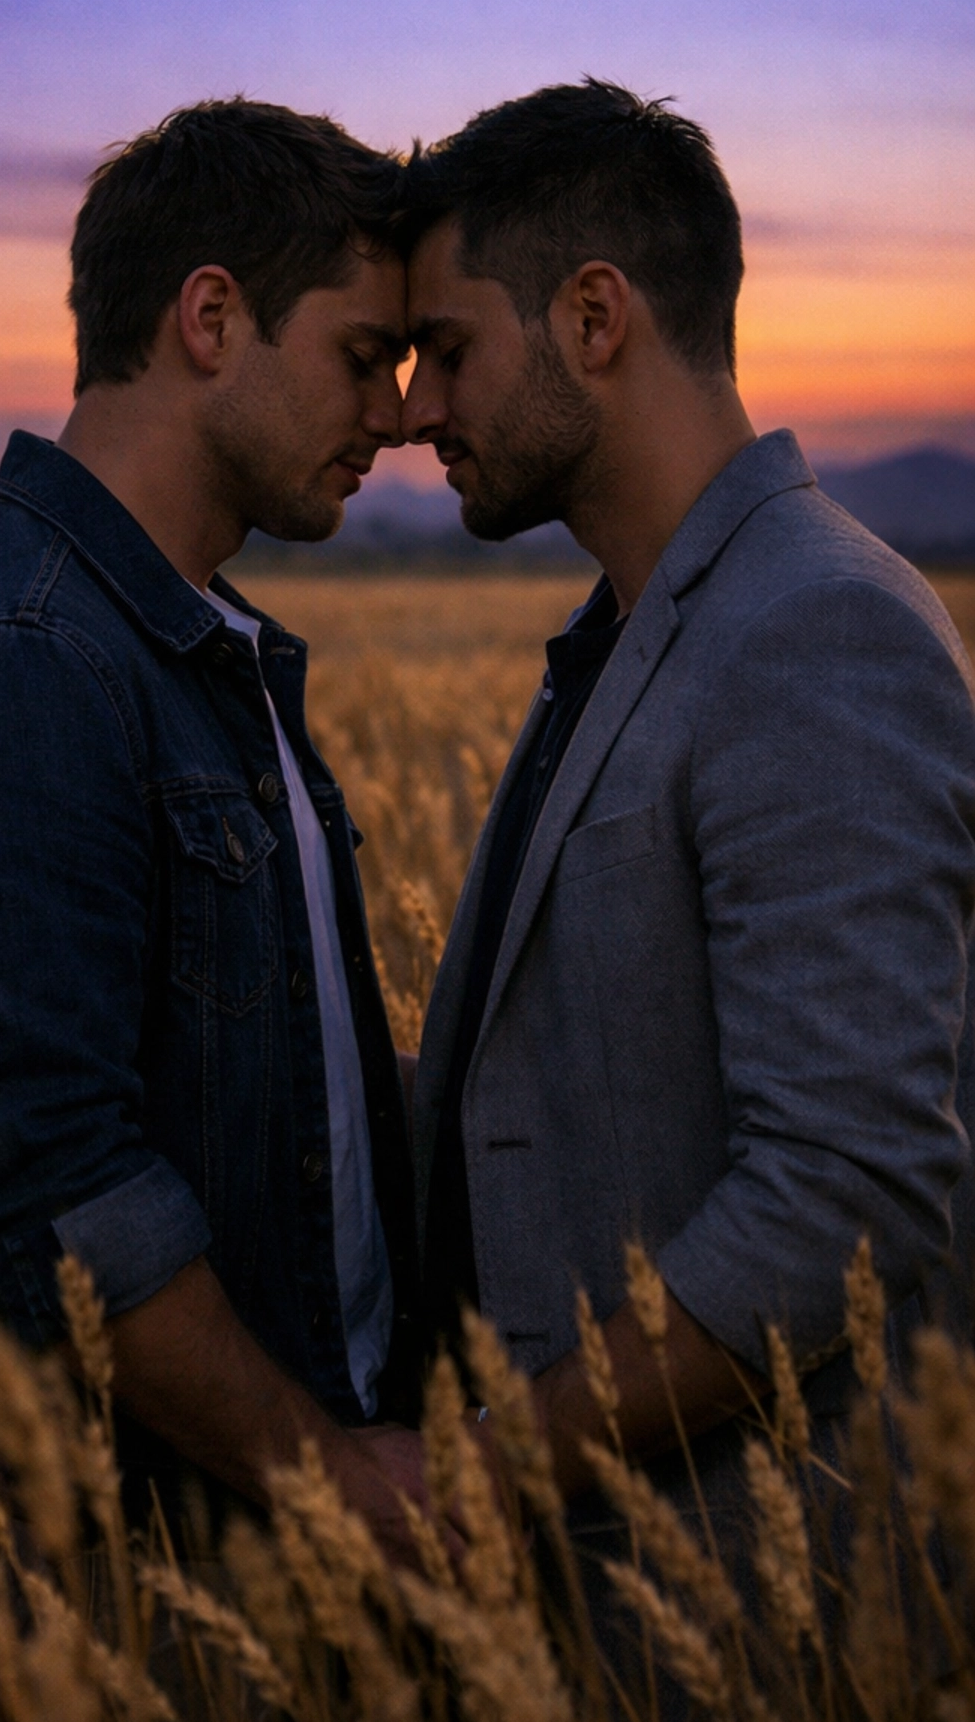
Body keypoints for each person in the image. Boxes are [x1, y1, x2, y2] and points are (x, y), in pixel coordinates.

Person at [0, 98, 430, 1551]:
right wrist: (335, 1489)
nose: (399, 416)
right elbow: (51, 1192)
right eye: (363, 357)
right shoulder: (28, 661)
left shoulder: (191, 645)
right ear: (211, 317)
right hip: (130, 1585)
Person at [400, 78, 975, 1538]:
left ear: (595, 319)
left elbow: (849, 1191)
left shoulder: (815, 629)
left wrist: (483, 1477)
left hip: (755, 1602)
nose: (415, 408)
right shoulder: (634, 625)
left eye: (446, 349)